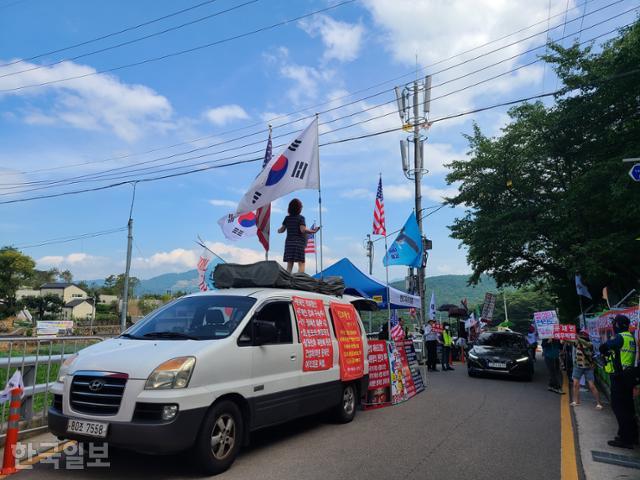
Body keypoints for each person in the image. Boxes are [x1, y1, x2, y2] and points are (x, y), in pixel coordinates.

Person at [599, 314, 638, 449]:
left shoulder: (620, 337)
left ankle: (625, 440)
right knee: (628, 407)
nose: (613, 326)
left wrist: (604, 350)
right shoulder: (630, 337)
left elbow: (604, 347)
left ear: (617, 325)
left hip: (620, 377)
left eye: (614, 324)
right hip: (629, 376)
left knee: (620, 408)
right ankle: (632, 436)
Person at [277, 198, 319, 273]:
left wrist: (278, 230)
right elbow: (303, 230)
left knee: (289, 266)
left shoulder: (287, 218)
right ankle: (300, 282)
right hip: (298, 244)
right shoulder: (301, 218)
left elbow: (282, 230)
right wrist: (313, 231)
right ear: (298, 208)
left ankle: (287, 282)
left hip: (289, 244)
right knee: (301, 264)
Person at [570, 330, 603, 410]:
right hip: (578, 366)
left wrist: (578, 338)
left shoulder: (590, 344)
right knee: (575, 384)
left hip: (588, 367)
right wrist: (561, 337)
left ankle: (599, 403)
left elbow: (586, 344)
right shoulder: (576, 343)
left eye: (582, 336)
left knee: (592, 386)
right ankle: (576, 401)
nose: (581, 337)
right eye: (581, 335)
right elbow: (568, 341)